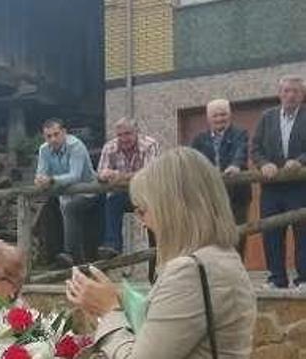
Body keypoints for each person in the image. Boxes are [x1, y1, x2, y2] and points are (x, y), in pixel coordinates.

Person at [66, 147, 256, 358]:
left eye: (143, 210)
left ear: (172, 209)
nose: (142, 222)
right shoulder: (222, 257)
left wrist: (110, 311)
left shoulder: (189, 271)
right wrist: (119, 297)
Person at [252, 75, 306, 289]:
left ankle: (304, 278)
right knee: (271, 233)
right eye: (286, 91)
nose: (291, 95)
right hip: (272, 188)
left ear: (302, 95)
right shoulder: (267, 117)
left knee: (302, 232)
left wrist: (300, 161)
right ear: (279, 94)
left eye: (295, 91)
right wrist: (264, 163)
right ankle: (277, 278)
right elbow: (255, 148)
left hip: (300, 187)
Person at [35, 118, 100, 266]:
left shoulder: (75, 145)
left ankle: (69, 254)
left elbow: (75, 176)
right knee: (50, 211)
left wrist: (50, 180)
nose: (53, 139)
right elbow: (40, 174)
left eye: (56, 134)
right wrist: (40, 180)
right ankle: (73, 262)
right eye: (48, 136)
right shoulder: (44, 149)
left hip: (87, 192)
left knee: (70, 209)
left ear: (64, 133)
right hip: (63, 196)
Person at [191, 99, 250, 255]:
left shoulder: (240, 133)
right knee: (210, 236)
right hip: (209, 196)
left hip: (237, 194)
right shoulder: (199, 139)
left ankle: (237, 272)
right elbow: (192, 161)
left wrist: (235, 165)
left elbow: (241, 151)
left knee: (237, 234)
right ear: (208, 118)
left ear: (229, 115)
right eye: (215, 115)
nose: (219, 119)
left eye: (223, 114)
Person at [96, 117, 160, 260]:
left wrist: (119, 176)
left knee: (153, 214)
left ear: (137, 132)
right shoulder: (109, 147)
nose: (124, 138)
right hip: (124, 195)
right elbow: (99, 174)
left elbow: (149, 174)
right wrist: (105, 175)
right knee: (112, 201)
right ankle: (112, 246)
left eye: (128, 134)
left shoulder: (150, 144)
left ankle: (159, 250)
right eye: (120, 135)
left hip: (148, 195)